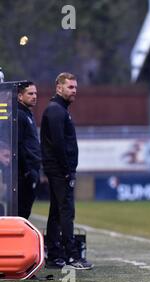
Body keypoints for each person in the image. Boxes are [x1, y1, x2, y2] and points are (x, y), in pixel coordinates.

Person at [40, 72, 93, 270]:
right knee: (66, 212)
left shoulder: (59, 110)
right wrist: (67, 170)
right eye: (70, 87)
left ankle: (54, 255)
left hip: (57, 170)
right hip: (60, 171)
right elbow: (59, 144)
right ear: (59, 88)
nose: (74, 91)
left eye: (75, 88)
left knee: (56, 212)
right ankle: (71, 256)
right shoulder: (56, 111)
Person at [17, 82, 41, 219]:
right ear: (20, 96)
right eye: (30, 93)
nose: (34, 96)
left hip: (32, 169)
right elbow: (18, 144)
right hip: (25, 172)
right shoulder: (20, 115)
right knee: (22, 211)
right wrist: (26, 171)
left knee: (26, 210)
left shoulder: (28, 114)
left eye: (35, 93)